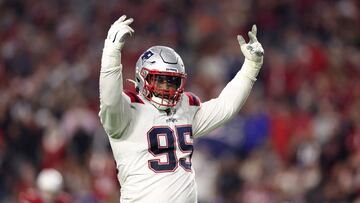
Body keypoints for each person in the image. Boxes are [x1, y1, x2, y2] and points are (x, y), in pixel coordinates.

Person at [99, 15, 264, 203]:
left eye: (172, 81)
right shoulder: (126, 111)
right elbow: (110, 100)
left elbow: (225, 106)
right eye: (160, 80)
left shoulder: (184, 108)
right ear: (142, 78)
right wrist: (111, 54)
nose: (167, 87)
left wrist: (251, 67)